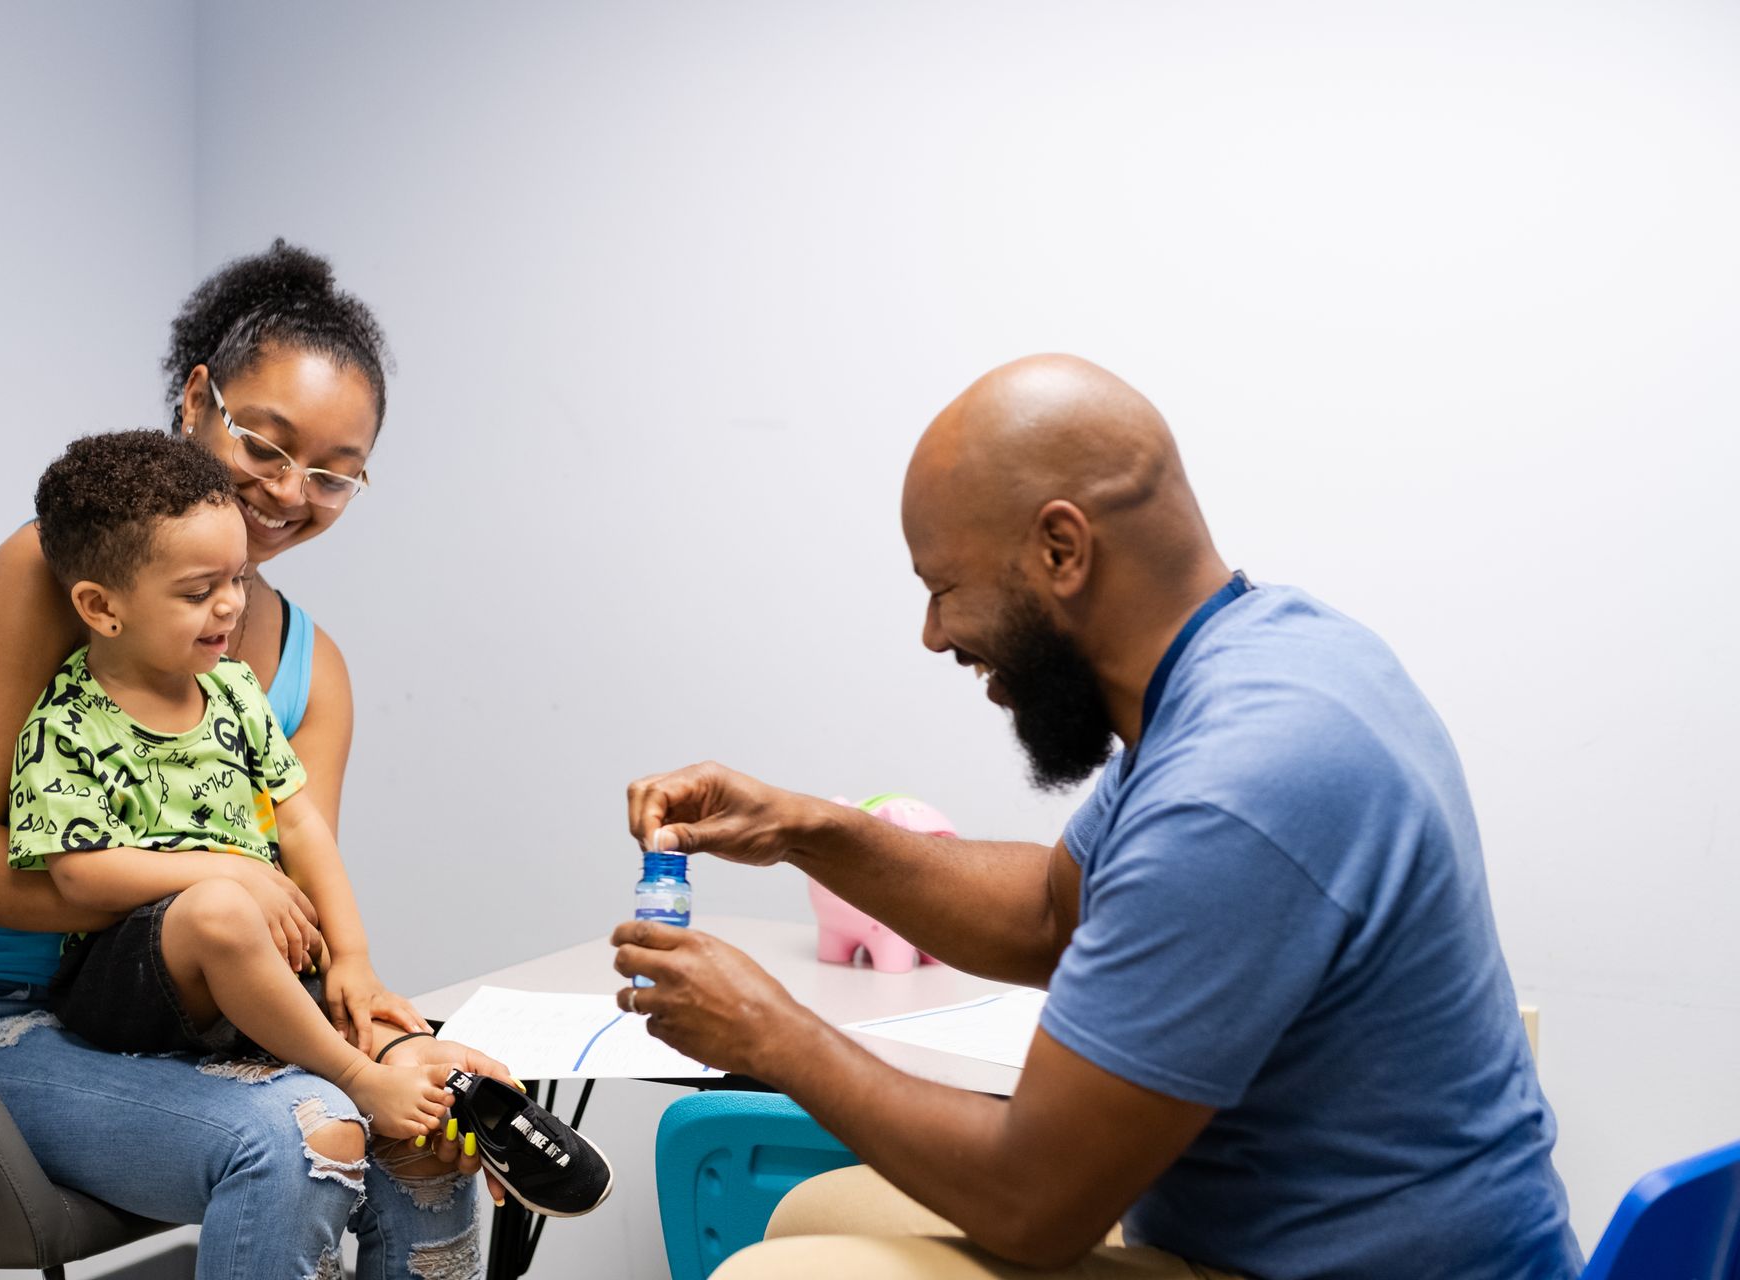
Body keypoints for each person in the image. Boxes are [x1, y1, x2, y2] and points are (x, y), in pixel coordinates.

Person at [614, 355, 1583, 1280]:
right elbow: (1049, 909)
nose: (935, 635)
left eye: (944, 588)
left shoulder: (1236, 787)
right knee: (804, 1218)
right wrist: (802, 827)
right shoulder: (1263, 661)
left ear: (1061, 549)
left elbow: (1035, 1200)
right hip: (1299, 1238)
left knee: (775, 1272)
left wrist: (767, 1031)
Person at [0, 241, 498, 1279]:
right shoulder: (50, 574)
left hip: (191, 1019)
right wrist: (215, 878)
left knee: (427, 1138)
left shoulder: (318, 672)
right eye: (266, 444)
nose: (287, 491)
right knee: (297, 1135)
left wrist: (398, 1049)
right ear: (197, 399)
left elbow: (290, 919)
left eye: (332, 474)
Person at [12, 429, 454, 1136]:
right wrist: (228, 873)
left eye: (237, 580)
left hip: (243, 958)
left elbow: (301, 824)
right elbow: (79, 877)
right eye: (197, 591)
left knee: (413, 1046)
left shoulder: (235, 692)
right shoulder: (67, 725)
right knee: (221, 908)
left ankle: (423, 1079)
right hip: (123, 981)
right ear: (101, 608)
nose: (229, 607)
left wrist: (353, 958)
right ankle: (354, 1079)